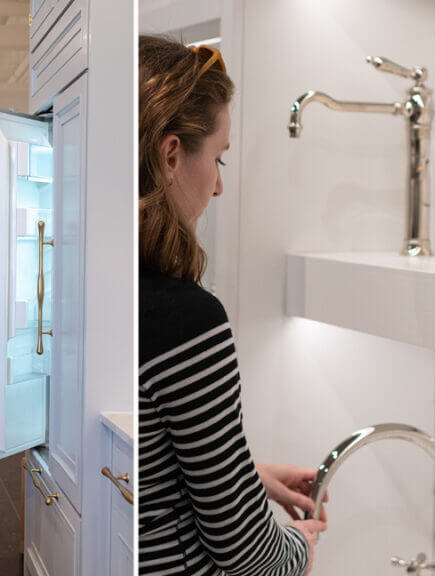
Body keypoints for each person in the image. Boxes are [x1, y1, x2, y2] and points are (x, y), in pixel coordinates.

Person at [138, 36, 328, 575]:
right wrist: (301, 547)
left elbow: (156, 463)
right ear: (171, 154)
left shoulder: (112, 286)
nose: (219, 185)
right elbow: (247, 553)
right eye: (218, 158)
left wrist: (246, 476)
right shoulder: (185, 320)